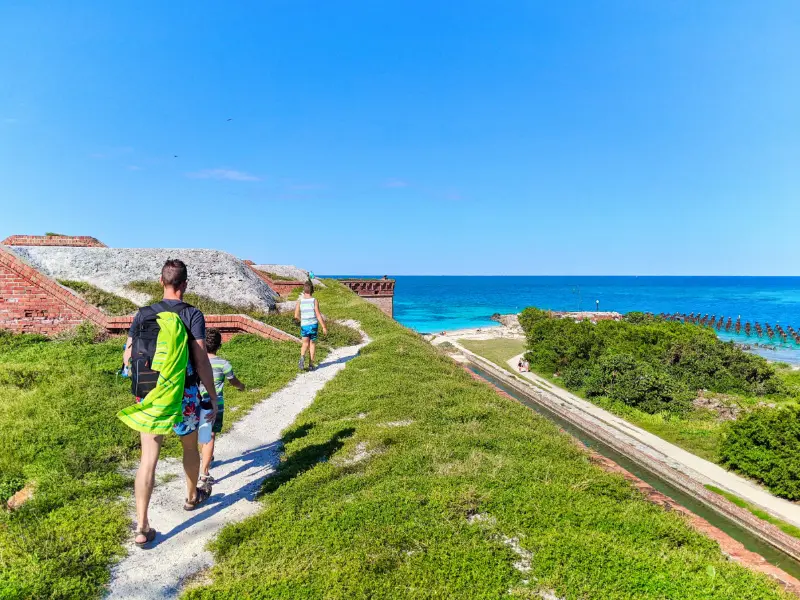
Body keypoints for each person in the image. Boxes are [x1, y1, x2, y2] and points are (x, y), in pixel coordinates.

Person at [121, 259, 219, 547]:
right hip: (184, 395)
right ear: (185, 284)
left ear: (160, 281)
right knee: (189, 447)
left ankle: (142, 525)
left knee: (148, 459)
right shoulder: (192, 315)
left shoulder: (143, 314)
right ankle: (191, 497)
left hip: (150, 395)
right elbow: (201, 359)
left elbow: (128, 356)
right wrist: (211, 396)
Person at [198, 328, 245, 490]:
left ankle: (204, 457)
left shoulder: (197, 361)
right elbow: (234, 381)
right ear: (219, 345)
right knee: (211, 436)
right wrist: (241, 387)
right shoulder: (223, 364)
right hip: (215, 404)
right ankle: (204, 473)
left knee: (203, 434)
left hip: (197, 402)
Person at [294, 280, 328, 371]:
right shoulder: (314, 300)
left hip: (304, 325)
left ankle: (302, 357)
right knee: (312, 344)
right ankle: (311, 364)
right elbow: (318, 314)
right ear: (312, 290)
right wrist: (324, 327)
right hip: (313, 325)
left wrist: (302, 321)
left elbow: (296, 316)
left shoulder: (299, 301)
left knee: (305, 344)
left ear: (303, 290)